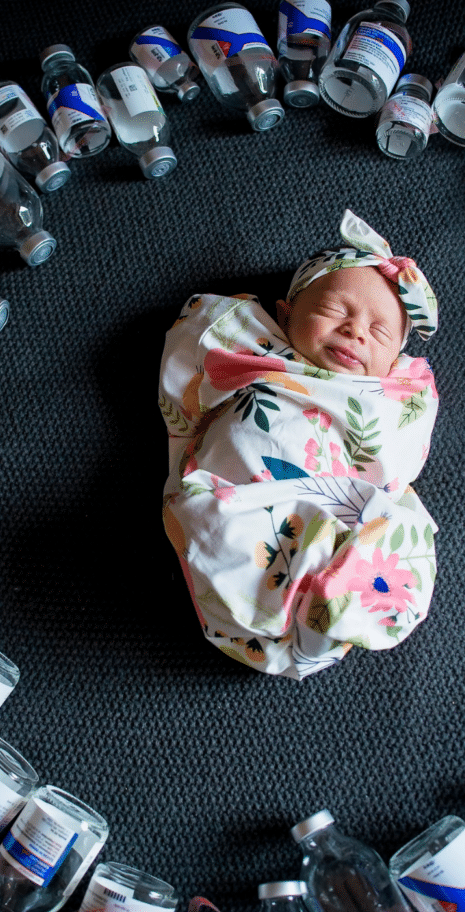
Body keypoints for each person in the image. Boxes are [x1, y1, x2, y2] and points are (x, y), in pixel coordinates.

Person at [158, 209, 440, 680]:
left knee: (402, 531)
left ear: (394, 362)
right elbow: (194, 351)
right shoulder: (257, 351)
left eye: (379, 332)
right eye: (335, 311)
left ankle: (335, 605)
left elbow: (396, 462)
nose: (355, 331)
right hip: (237, 500)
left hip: (337, 506)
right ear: (285, 315)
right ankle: (292, 610)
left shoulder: (386, 399)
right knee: (219, 532)